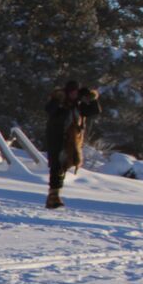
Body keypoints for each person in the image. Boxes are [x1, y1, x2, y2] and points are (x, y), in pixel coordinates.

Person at [43, 79, 100, 209]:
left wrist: (91, 98)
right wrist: (58, 100)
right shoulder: (59, 101)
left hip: (72, 140)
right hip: (56, 138)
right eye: (72, 92)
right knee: (56, 165)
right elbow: (49, 110)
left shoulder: (79, 105)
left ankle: (55, 196)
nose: (74, 94)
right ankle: (53, 197)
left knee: (65, 165)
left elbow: (94, 111)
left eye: (76, 92)